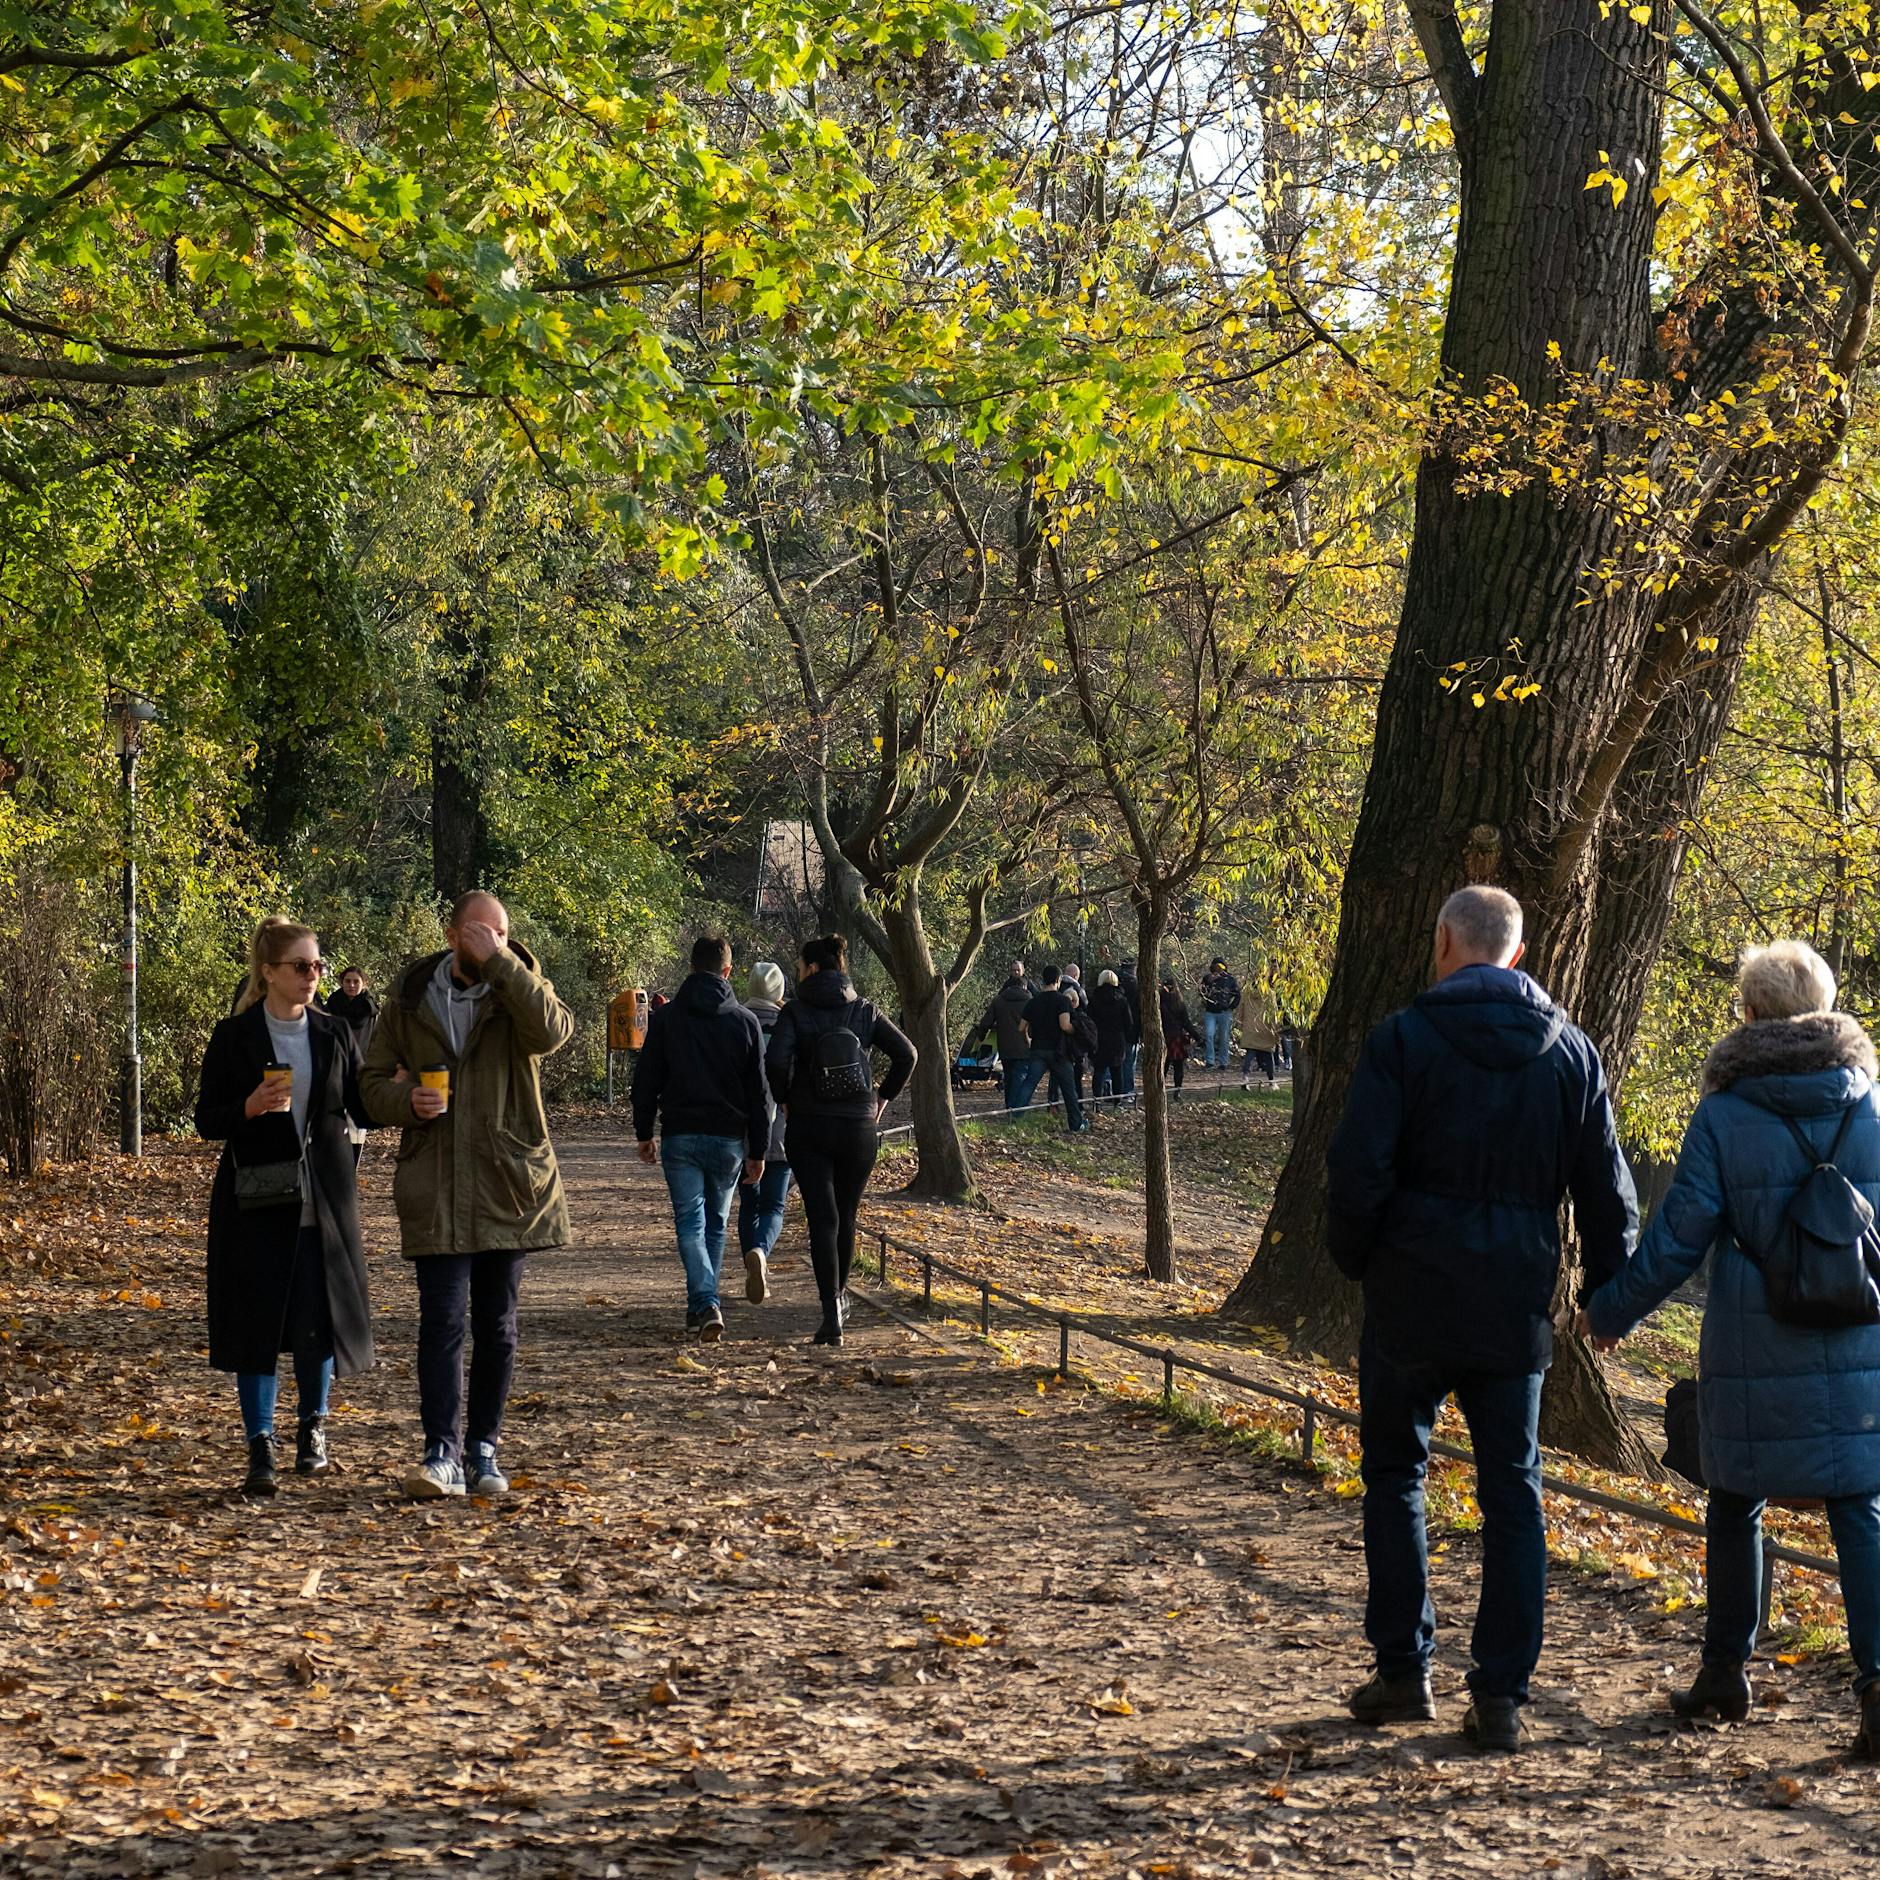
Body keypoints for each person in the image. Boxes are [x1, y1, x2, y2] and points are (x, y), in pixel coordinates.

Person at [1327, 885, 1637, 1755]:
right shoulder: (1570, 1053)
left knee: (1396, 1477)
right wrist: (1608, 1295)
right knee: (1513, 1493)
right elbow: (1609, 1195)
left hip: (1410, 1297)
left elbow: (1357, 1173)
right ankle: (1500, 1692)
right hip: (1514, 1301)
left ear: (1443, 944)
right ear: (1518, 954)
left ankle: (1403, 1670)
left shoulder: (1402, 1041)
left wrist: (1359, 1260)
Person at [1580, 940, 1880, 1760]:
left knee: (1735, 1499)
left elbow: (1679, 1238)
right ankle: (1879, 1689)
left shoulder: (1724, 1113)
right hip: (1859, 1334)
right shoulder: (1872, 1105)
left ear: (1750, 1013)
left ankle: (1724, 1674)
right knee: (1861, 1507)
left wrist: (1611, 1310)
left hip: (1754, 1336)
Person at [361, 891, 574, 1500]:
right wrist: (407, 1102)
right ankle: (440, 1453)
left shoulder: (521, 987)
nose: (492, 941)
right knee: (443, 1321)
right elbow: (370, 1085)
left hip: (508, 1181)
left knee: (498, 1324)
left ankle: (484, 1449)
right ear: (453, 934)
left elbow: (554, 1031)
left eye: (502, 932)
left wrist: (504, 964)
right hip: (437, 1182)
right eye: (480, 932)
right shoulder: (410, 997)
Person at [195, 919, 377, 1496]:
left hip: (324, 1200)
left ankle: (313, 1434)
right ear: (268, 972)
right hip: (255, 1200)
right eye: (301, 966)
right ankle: (259, 1447)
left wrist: (399, 1091)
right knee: (256, 1323)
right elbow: (206, 1119)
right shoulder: (233, 1036)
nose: (313, 976)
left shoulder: (332, 1032)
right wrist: (248, 1106)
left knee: (317, 1322)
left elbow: (362, 1108)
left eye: (318, 965)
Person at [765, 934, 916, 1346]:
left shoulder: (794, 1012)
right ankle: (840, 1300)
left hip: (809, 1126)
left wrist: (785, 1099)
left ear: (812, 968)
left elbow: (776, 1060)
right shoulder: (864, 1010)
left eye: (799, 966)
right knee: (846, 1215)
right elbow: (908, 1054)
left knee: (822, 1219)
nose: (797, 972)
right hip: (857, 1127)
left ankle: (830, 1312)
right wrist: (882, 1098)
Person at [631, 935, 770, 1340]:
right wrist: (757, 1149)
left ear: (691, 967)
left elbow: (647, 1080)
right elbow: (759, 1093)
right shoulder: (745, 1023)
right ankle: (705, 1302)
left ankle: (704, 1303)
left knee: (690, 1223)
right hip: (728, 1140)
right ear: (727, 972)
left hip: (680, 1135)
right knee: (716, 1223)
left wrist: (644, 1131)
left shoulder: (667, 1020)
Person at [738, 962, 794, 1304]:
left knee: (749, 1203)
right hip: (783, 1131)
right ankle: (761, 1251)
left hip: (745, 1130)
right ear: (780, 993)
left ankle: (750, 1266)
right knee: (774, 1205)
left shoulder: (737, 1022)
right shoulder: (791, 1026)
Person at [1010, 965, 1086, 1132]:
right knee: (1068, 1088)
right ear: (1058, 980)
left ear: (1043, 979)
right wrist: (1077, 1030)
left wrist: (1028, 1039)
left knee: (1029, 1084)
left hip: (1038, 1049)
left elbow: (1021, 1027)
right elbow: (1064, 1025)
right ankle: (1075, 1123)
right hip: (1058, 1051)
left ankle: (1015, 1119)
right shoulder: (1062, 1000)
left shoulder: (1033, 1001)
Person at [973, 960, 1034, 1110]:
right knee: (1021, 1075)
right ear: (1024, 986)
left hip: (1005, 1045)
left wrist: (981, 1037)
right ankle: (1016, 1109)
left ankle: (1010, 1106)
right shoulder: (1029, 1000)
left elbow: (985, 1023)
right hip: (1024, 1044)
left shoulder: (999, 1000)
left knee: (1009, 1076)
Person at [1090, 969, 1132, 1104]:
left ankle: (1097, 1100)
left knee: (1099, 1071)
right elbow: (1128, 1022)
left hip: (1099, 1039)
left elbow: (1090, 1019)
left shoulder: (1094, 999)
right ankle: (1117, 1101)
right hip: (1117, 1039)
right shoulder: (1122, 1000)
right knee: (1117, 1071)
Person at [1159, 978, 1199, 1097]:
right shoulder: (1179, 1003)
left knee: (1163, 1067)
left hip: (1164, 1037)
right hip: (1177, 1038)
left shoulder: (1159, 1003)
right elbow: (1187, 1023)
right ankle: (1177, 1091)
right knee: (1178, 1067)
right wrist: (1197, 1037)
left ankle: (1159, 1091)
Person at [1238, 980, 1281, 1089]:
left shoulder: (1247, 994)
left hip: (1250, 1027)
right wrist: (1276, 1029)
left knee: (1250, 1052)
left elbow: (1241, 1010)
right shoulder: (1270, 994)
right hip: (1265, 1028)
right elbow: (1274, 1012)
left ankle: (1245, 1077)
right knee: (1268, 1054)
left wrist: (1241, 1024)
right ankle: (1272, 1081)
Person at [1200, 958, 1240, 1071]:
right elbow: (1201, 992)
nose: (1218, 969)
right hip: (1210, 1012)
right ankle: (1210, 1061)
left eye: (1220, 967)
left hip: (1224, 1012)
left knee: (1224, 1037)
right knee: (1209, 1035)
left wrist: (1231, 1007)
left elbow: (1237, 995)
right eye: (1216, 967)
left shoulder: (1230, 979)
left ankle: (1223, 1062)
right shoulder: (1207, 978)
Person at [1115, 960, 1143, 1101]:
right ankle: (1128, 1091)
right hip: (1133, 1029)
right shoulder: (1138, 986)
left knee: (1113, 1061)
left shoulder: (1114, 982)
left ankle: (1111, 1090)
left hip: (1114, 1029)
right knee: (1129, 1062)